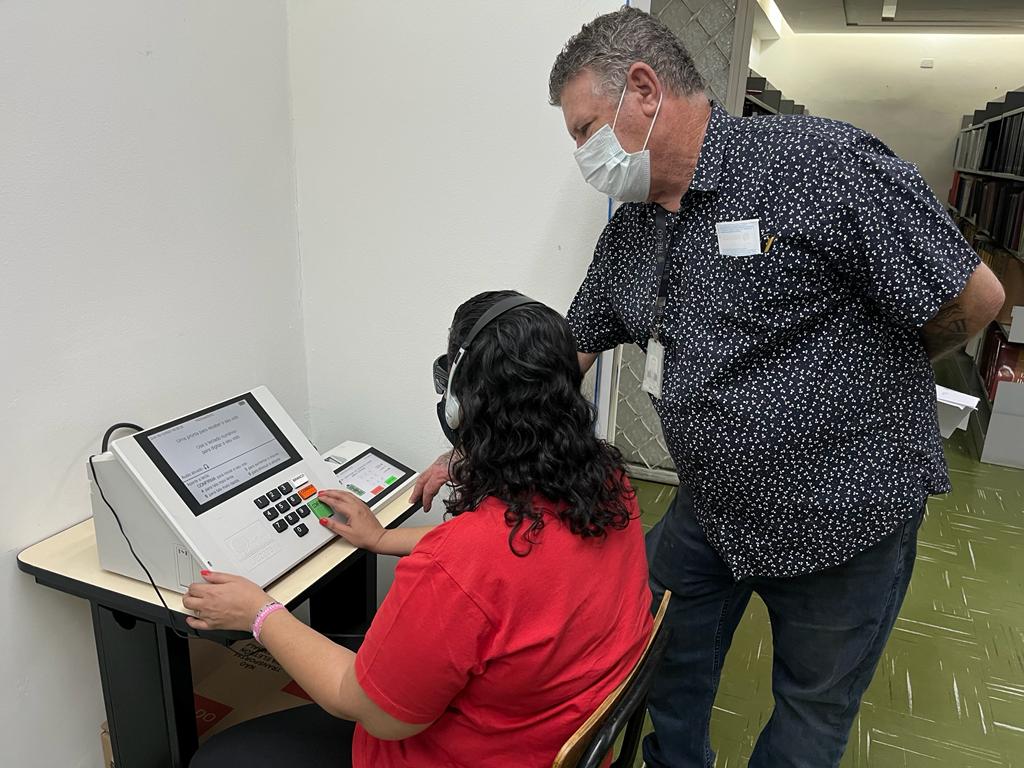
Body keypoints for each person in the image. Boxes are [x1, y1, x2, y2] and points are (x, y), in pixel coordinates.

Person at [546, 7, 1006, 768]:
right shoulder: (632, 228)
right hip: (711, 510)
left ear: (643, 89)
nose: (582, 154)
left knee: (809, 711)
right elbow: (574, 344)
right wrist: (479, 447)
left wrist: (873, 375)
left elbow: (975, 298)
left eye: (582, 128)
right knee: (662, 651)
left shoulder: (817, 165)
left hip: (842, 519)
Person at [186, 290, 653, 768]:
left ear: (460, 405)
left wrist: (260, 614)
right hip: (543, 733)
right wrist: (384, 539)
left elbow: (376, 714)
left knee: (216, 758)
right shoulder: (608, 483)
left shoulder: (457, 566)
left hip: (447, 751)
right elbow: (512, 563)